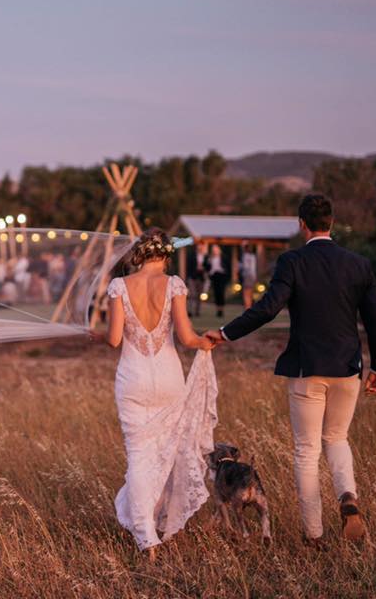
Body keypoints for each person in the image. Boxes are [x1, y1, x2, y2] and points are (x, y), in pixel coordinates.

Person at [207, 194, 376, 547]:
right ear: (331, 222)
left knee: (307, 450)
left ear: (301, 224)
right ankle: (347, 496)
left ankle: (314, 533)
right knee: (337, 438)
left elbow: (267, 309)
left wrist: (226, 333)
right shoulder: (358, 264)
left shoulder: (293, 261)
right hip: (348, 367)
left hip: (307, 369)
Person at [92, 228, 218, 561]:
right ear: (164, 254)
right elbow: (188, 337)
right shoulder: (174, 284)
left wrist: (95, 333)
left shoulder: (120, 286)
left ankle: (147, 537)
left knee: (139, 456)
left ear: (140, 253)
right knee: (164, 454)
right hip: (168, 377)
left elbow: (115, 339)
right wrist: (208, 343)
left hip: (132, 378)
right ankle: (153, 522)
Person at [188, 242, 208, 316]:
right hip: (193, 277)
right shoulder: (192, 256)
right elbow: (189, 266)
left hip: (201, 278)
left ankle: (197, 311)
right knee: (192, 294)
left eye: (202, 246)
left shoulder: (206, 257)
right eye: (199, 246)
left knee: (199, 295)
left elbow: (208, 267)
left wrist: (203, 268)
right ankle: (190, 310)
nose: (200, 248)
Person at [207, 244, 228, 318]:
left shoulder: (223, 257)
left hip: (221, 276)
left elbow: (227, 267)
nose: (215, 251)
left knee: (221, 292)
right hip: (214, 276)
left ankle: (221, 309)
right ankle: (218, 310)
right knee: (216, 293)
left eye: (216, 249)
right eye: (213, 249)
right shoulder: (210, 258)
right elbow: (207, 267)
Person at [239, 242, 257, 309]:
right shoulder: (252, 256)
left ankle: (247, 307)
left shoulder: (245, 256)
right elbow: (253, 268)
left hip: (247, 275)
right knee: (250, 293)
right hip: (251, 276)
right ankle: (249, 306)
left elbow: (246, 267)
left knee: (246, 293)